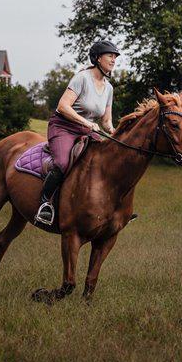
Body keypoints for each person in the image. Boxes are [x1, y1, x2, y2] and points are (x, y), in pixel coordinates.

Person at [34, 39, 119, 226]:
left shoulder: (109, 88)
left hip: (86, 130)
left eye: (115, 57)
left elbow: (105, 121)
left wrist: (117, 134)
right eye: (110, 56)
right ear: (97, 58)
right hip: (63, 126)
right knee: (63, 163)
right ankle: (45, 204)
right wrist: (87, 123)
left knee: (107, 161)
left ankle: (111, 209)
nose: (114, 60)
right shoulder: (82, 78)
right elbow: (63, 106)